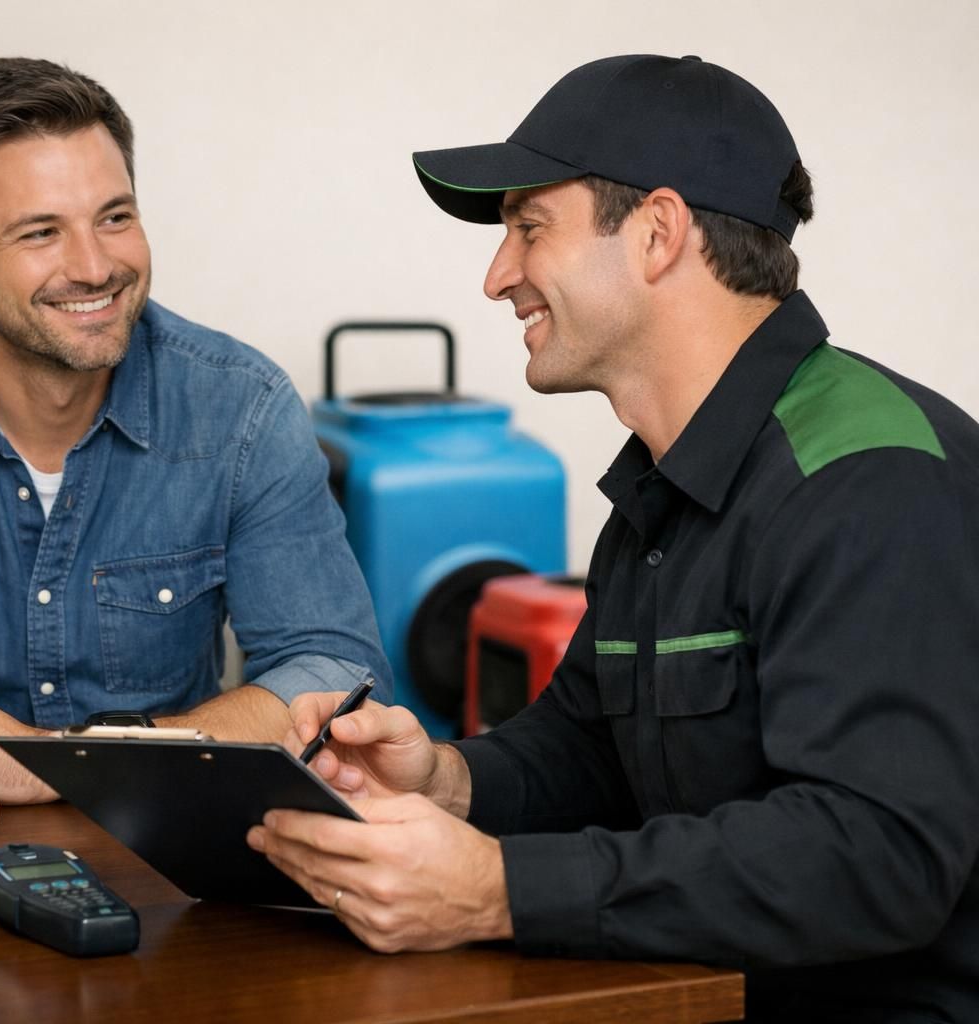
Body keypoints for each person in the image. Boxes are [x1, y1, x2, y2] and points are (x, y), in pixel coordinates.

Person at [249, 54, 979, 1020]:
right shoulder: (663, 486)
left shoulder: (867, 476)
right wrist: (444, 780)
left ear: (657, 234)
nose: (496, 275)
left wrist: (497, 890)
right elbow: (592, 749)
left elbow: (878, 854)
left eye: (528, 228)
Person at [0, 57, 391, 804]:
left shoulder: (239, 407)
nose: (94, 266)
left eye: (115, 217)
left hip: (164, 853)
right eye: (40, 233)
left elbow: (333, 669)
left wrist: (69, 760)